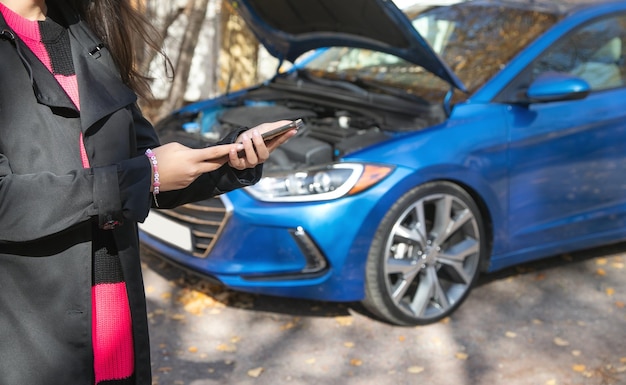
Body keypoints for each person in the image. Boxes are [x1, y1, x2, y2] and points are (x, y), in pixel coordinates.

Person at [0, 0, 296, 384]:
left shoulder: (86, 32)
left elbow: (145, 170)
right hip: (31, 348)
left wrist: (229, 159)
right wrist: (142, 175)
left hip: (116, 330)